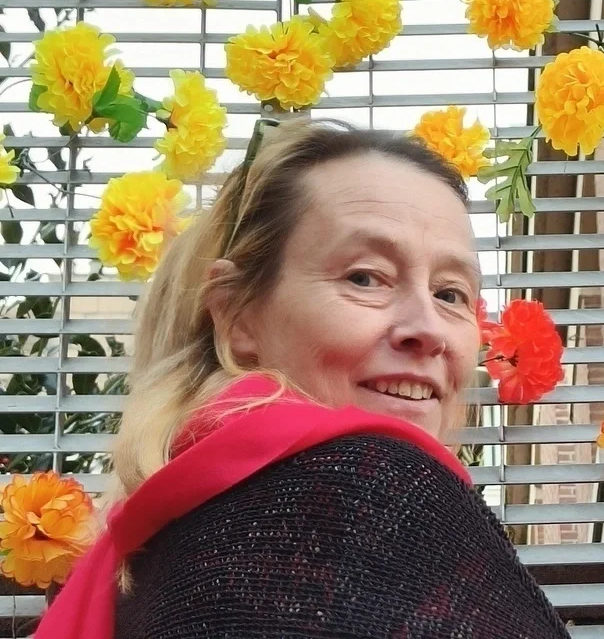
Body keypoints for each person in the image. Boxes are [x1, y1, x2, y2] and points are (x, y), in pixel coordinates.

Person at [36, 118, 570, 639]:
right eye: (366, 278)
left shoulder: (153, 549)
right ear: (238, 315)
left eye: (450, 294)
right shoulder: (369, 488)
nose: (428, 329)